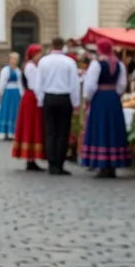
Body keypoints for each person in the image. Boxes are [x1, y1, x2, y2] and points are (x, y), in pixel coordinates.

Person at [78, 40, 130, 178]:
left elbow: (90, 85)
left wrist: (88, 98)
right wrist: (114, 93)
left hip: (100, 99)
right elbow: (122, 85)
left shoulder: (96, 64)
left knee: (100, 129)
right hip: (113, 99)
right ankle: (113, 164)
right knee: (113, 129)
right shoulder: (119, 64)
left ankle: (102, 164)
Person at [35, 37, 81, 176]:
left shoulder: (44, 61)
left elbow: (39, 83)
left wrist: (41, 100)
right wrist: (76, 103)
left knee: (50, 132)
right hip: (64, 98)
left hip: (49, 97)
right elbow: (74, 84)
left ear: (52, 46)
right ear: (62, 47)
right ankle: (60, 164)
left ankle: (51, 164)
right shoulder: (70, 62)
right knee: (62, 133)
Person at [11, 45, 46, 171]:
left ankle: (31, 157)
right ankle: (30, 158)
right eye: (38, 54)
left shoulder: (29, 65)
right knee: (32, 126)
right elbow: (35, 84)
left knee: (32, 126)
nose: (40, 56)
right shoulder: (31, 67)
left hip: (30, 97)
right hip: (32, 98)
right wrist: (41, 99)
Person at [0, 52, 23, 142]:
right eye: (12, 59)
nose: (14, 61)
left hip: (16, 92)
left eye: (16, 59)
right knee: (7, 111)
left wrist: (22, 94)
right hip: (8, 92)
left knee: (15, 111)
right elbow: (2, 82)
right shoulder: (6, 70)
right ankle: (6, 132)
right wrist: (0, 92)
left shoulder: (18, 70)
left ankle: (15, 132)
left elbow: (20, 83)